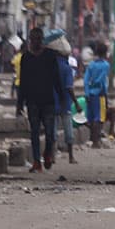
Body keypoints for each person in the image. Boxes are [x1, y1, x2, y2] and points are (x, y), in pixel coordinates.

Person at [20, 27, 65, 172]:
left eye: (39, 39)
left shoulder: (50, 56)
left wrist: (62, 96)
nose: (36, 42)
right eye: (34, 39)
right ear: (30, 40)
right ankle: (36, 162)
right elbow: (23, 81)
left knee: (50, 133)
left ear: (42, 40)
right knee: (34, 133)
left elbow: (56, 78)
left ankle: (47, 154)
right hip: (32, 101)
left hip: (48, 101)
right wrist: (19, 103)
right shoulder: (25, 58)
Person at [50, 35, 79, 163]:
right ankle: (71, 157)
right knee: (68, 131)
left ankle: (53, 156)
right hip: (64, 103)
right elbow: (69, 88)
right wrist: (76, 103)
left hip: (52, 102)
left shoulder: (49, 67)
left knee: (53, 131)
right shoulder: (67, 68)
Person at [83, 42, 110, 149]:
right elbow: (103, 81)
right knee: (98, 118)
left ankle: (93, 139)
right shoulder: (105, 65)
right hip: (100, 94)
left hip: (90, 93)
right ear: (105, 53)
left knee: (91, 117)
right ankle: (96, 141)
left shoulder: (91, 65)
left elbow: (86, 80)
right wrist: (105, 94)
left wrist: (87, 93)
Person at [12, 42, 25, 115]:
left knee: (20, 99)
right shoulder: (25, 57)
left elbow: (12, 63)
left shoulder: (17, 57)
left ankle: (19, 112)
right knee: (23, 99)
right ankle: (20, 112)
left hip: (17, 80)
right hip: (24, 81)